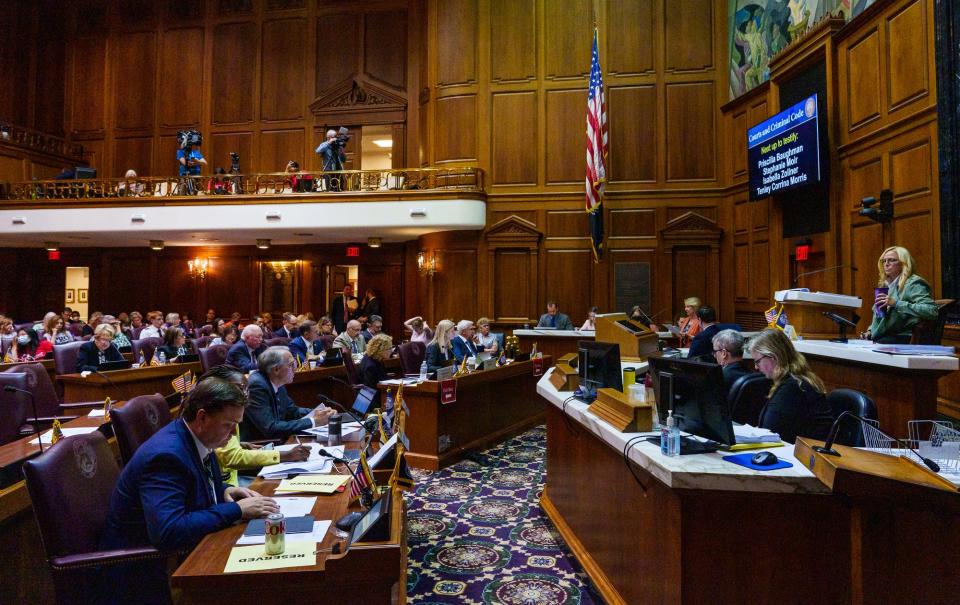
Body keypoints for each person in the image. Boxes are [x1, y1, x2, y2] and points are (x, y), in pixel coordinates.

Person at [100, 378, 279, 604]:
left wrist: (227, 489)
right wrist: (236, 510)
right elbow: (168, 531)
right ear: (202, 417)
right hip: (142, 572)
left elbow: (191, 484)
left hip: (184, 552)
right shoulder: (166, 456)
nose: (234, 433)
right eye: (228, 425)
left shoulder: (200, 437)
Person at [204, 365, 310, 487]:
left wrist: (239, 444)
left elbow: (223, 451)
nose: (244, 394)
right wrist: (284, 455)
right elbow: (232, 457)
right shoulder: (220, 411)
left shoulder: (231, 409)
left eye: (246, 389)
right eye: (240, 388)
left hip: (229, 484)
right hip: (229, 485)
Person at [746, 329, 834, 443]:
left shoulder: (794, 387)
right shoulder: (794, 380)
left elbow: (770, 431)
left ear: (773, 356)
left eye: (757, 361)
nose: (756, 367)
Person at [239, 347, 336, 441]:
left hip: (279, 440)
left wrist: (320, 413)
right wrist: (314, 421)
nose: (296, 368)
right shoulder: (257, 386)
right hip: (261, 445)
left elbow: (292, 411)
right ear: (276, 369)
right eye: (291, 365)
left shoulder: (277, 381)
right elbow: (270, 428)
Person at [861, 246, 938, 344]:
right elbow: (881, 318)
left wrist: (896, 303)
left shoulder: (913, 283)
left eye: (892, 260)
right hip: (886, 336)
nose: (886, 264)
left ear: (903, 264)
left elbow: (931, 310)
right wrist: (869, 332)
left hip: (905, 337)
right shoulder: (886, 285)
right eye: (884, 261)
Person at [359, 334, 393, 406]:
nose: (391, 351)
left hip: (380, 394)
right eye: (389, 348)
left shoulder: (374, 359)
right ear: (380, 349)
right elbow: (370, 390)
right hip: (374, 402)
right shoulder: (371, 366)